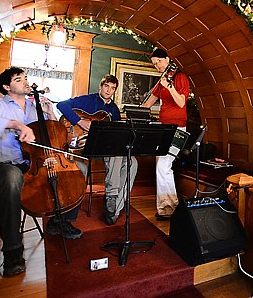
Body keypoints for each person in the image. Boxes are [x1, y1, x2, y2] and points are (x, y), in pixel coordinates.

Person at [0, 67, 86, 277]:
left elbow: (52, 136)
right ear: (7, 86)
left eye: (25, 78)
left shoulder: (34, 108)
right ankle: (13, 252)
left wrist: (50, 114)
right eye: (19, 79)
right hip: (3, 165)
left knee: (78, 170)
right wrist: (13, 124)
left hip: (31, 164)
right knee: (12, 177)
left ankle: (60, 222)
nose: (25, 82)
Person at [57, 74, 138, 225]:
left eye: (112, 88)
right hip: (86, 144)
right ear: (101, 86)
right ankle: (111, 195)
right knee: (115, 152)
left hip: (104, 146)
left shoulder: (113, 109)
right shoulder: (87, 100)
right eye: (106, 86)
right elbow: (61, 105)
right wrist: (80, 121)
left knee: (132, 162)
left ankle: (114, 208)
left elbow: (116, 132)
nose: (109, 91)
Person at [141, 48, 190, 220]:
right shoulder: (161, 80)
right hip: (163, 128)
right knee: (162, 167)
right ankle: (168, 207)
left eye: (159, 62)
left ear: (167, 59)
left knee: (163, 166)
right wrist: (136, 113)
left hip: (177, 129)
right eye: (154, 64)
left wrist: (169, 87)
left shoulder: (179, 77)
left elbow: (181, 102)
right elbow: (148, 103)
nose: (157, 66)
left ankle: (169, 208)